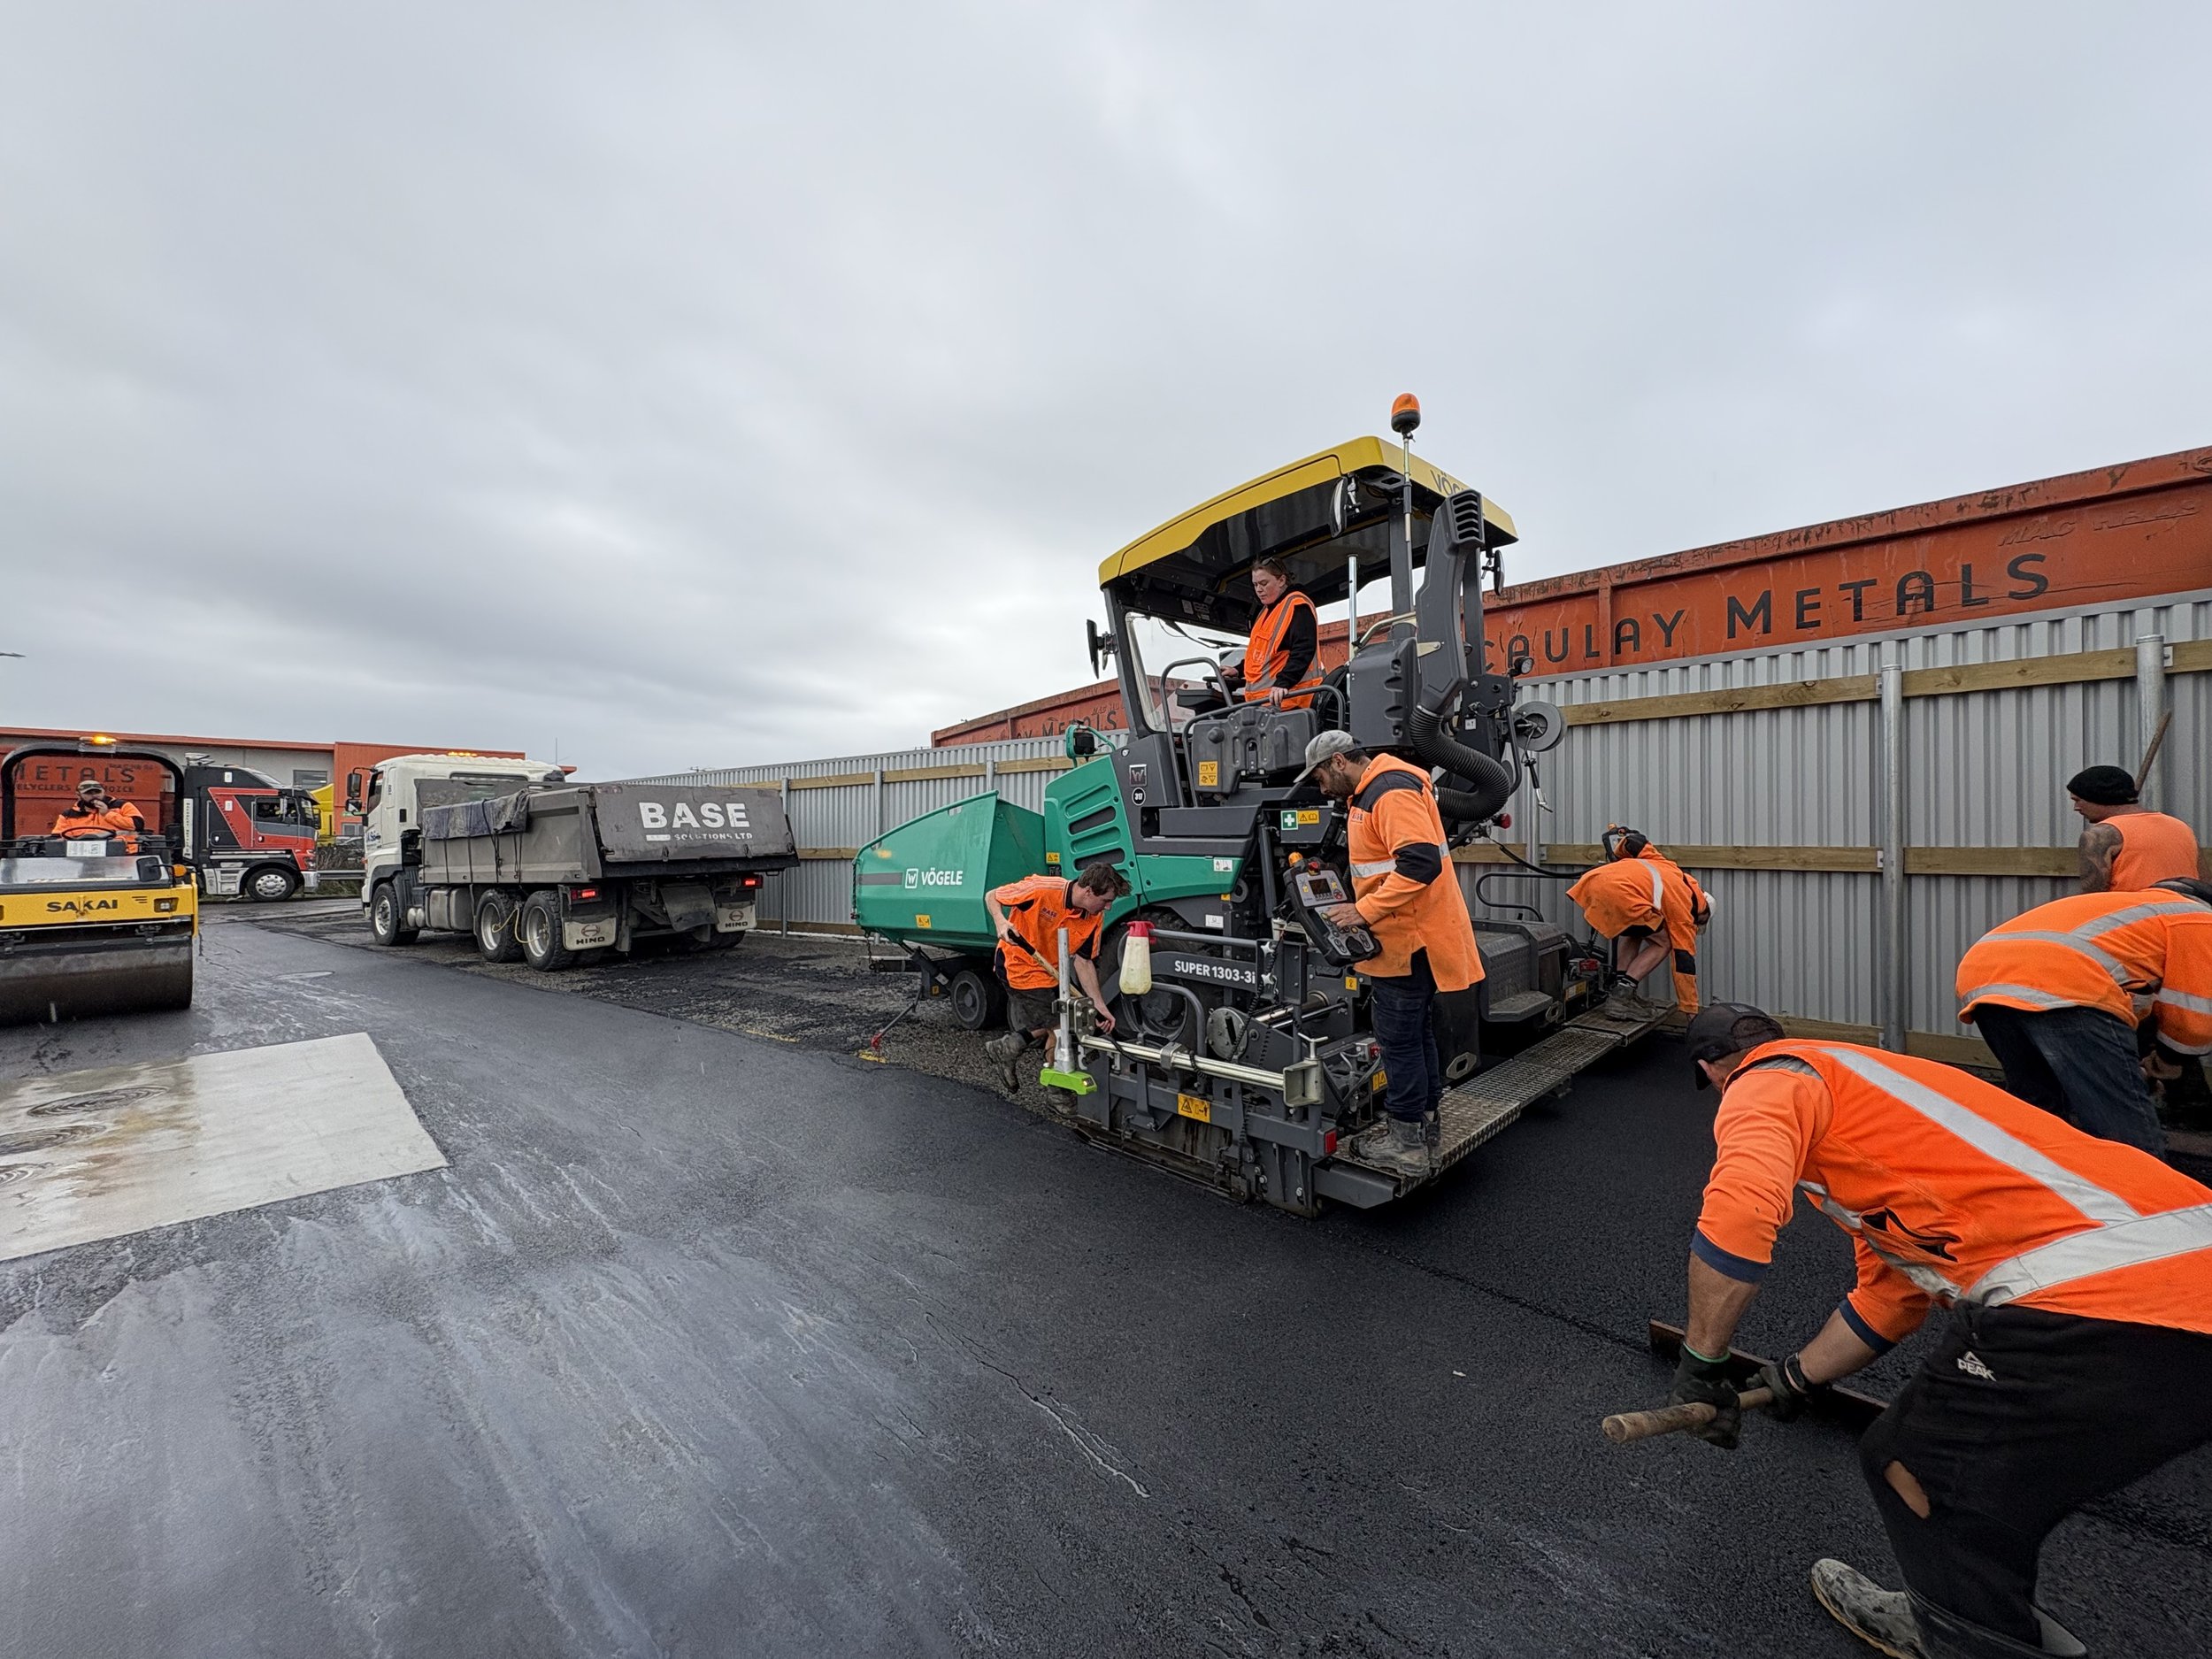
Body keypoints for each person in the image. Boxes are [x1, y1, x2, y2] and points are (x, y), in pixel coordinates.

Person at [1669, 1001, 2212, 1659]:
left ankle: (1965, 1637)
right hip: (2182, 1281)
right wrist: (1793, 1378)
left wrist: (1702, 1358)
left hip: (2109, 1289)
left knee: (1920, 1467)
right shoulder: (1875, 1111)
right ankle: (1967, 1615)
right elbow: (1889, 1300)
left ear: (1713, 1071)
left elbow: (1737, 1219)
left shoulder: (1767, 1080)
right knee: (1978, 1486)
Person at [1299, 728, 1482, 1174]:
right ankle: (1424, 1123)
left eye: (1321, 776)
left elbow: (1419, 862)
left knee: (1399, 1041)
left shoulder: (1389, 792)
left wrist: (1363, 911)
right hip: (1409, 936)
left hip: (1407, 939)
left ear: (1340, 761)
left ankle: (1407, 1142)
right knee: (1417, 1035)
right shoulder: (1377, 790)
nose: (1321, 788)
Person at [1954, 879, 2212, 1156]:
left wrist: (2122, 1065)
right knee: (2125, 1129)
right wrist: (2164, 1064)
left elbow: (2126, 999)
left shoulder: (2132, 910)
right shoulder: (2198, 919)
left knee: (2038, 1108)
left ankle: (2037, 1186)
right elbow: (2193, 1021)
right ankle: (2148, 1195)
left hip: (1985, 975)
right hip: (2060, 978)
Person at [981, 863, 1129, 1094]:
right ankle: (1057, 1092)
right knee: (1059, 1028)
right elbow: (992, 896)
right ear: (1088, 891)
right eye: (1106, 900)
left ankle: (1008, 1047)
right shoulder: (1043, 890)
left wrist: (1099, 1006)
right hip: (1018, 966)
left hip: (1051, 973)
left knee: (1066, 1020)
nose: (1108, 907)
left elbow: (1084, 961)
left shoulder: (1093, 916)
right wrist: (1001, 921)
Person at [1563, 826, 1712, 1012]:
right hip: (1622, 892)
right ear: (1702, 911)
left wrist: (1620, 848)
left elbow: (1635, 844)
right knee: (1663, 943)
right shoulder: (1684, 906)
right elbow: (1684, 963)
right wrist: (1691, 1009)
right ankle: (1624, 992)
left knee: (1636, 931)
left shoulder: (1667, 867)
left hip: (1595, 881)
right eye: (1699, 922)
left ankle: (1619, 990)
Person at [2067, 764, 2200, 892]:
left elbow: (2093, 896)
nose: (2076, 808)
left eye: (2078, 800)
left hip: (2135, 913)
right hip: (2187, 911)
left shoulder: (2100, 835)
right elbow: (2204, 882)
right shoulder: (2180, 827)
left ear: (2096, 796)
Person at [1217, 557, 1321, 710]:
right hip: (1265, 705)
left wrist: (1284, 683)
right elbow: (1262, 655)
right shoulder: (1266, 612)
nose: (1259, 589)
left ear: (1281, 580)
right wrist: (1238, 670)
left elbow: (1303, 649)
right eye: (1255, 584)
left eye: (1264, 583)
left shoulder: (1297, 606)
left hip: (1292, 702)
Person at [49, 778, 146, 849]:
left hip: (124, 854)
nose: (94, 796)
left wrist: (107, 814)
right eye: (89, 793)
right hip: (80, 857)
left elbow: (138, 825)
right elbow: (58, 838)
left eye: (97, 792)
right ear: (79, 795)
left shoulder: (122, 805)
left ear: (103, 792)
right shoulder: (69, 814)